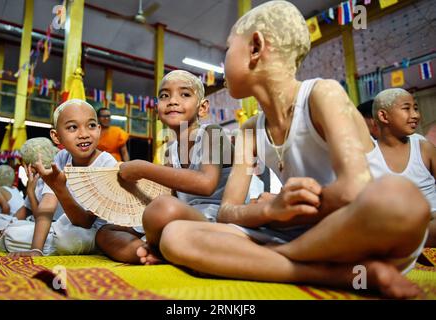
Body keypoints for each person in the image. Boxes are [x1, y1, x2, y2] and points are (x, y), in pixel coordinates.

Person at [156, 1, 430, 299]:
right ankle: (329, 273)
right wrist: (271, 209)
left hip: (357, 228)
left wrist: (283, 212)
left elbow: (355, 190)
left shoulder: (321, 94)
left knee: (401, 198)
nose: (223, 63)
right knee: (175, 235)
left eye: (228, 49)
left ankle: (281, 257)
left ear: (256, 47)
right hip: (301, 234)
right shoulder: (249, 131)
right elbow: (227, 212)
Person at [95, 70, 233, 264]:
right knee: (106, 231)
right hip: (181, 216)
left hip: (215, 220)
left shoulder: (212, 133)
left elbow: (206, 184)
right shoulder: (171, 149)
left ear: (202, 108)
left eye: (184, 94)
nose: (172, 101)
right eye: (164, 96)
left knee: (162, 209)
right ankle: (155, 253)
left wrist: (144, 168)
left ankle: (161, 249)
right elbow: (171, 195)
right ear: (157, 111)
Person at [28, 99, 118, 256]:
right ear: (56, 137)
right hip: (64, 226)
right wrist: (35, 249)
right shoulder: (61, 158)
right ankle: (47, 243)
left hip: (94, 231)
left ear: (98, 129)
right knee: (15, 232)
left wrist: (60, 189)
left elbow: (85, 222)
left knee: (67, 241)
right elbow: (47, 206)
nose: (83, 134)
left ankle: (52, 242)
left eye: (90, 126)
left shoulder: (106, 163)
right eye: (73, 127)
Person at [367, 88, 436, 248]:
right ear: (383, 116)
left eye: (416, 108)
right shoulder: (369, 154)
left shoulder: (422, 146)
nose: (415, 115)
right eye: (407, 108)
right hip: (395, 225)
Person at [0, 138, 65, 256]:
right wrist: (7, 225)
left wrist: (31, 192)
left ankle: (1, 241)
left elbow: (40, 218)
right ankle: (1, 239)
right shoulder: (37, 181)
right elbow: (23, 212)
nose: (25, 168)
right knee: (9, 226)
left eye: (26, 164)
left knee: (12, 233)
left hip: (55, 229)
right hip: (40, 227)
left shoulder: (52, 178)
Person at [0, 165, 26, 247]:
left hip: (11, 222)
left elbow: (6, 207)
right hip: (21, 222)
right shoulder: (15, 188)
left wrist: (1, 223)